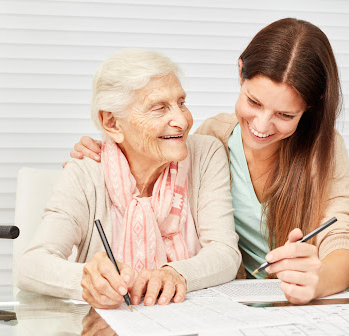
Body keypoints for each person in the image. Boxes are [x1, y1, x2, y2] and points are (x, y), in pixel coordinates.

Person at [68, 18, 349, 305]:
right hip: (240, 300)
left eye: (285, 115)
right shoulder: (211, 139)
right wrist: (108, 152)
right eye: (253, 102)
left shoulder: (325, 148)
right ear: (240, 71)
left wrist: (320, 281)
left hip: (319, 297)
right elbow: (153, 161)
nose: (262, 125)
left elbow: (343, 235)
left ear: (313, 103)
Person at [17, 49, 241, 309]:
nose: (181, 120)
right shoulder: (86, 171)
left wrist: (177, 273)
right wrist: (86, 280)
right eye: (159, 108)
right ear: (112, 123)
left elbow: (225, 252)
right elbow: (31, 265)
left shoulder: (205, 154)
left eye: (181, 103)